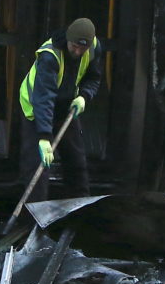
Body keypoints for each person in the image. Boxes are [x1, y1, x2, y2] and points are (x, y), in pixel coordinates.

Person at [18, 17, 102, 204]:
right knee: (38, 168)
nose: (78, 51)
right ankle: (34, 220)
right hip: (35, 108)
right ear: (67, 40)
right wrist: (44, 137)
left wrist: (84, 96)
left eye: (83, 48)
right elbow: (44, 98)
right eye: (74, 46)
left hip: (66, 107)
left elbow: (93, 78)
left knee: (76, 163)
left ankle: (80, 212)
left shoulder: (94, 47)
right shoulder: (50, 55)